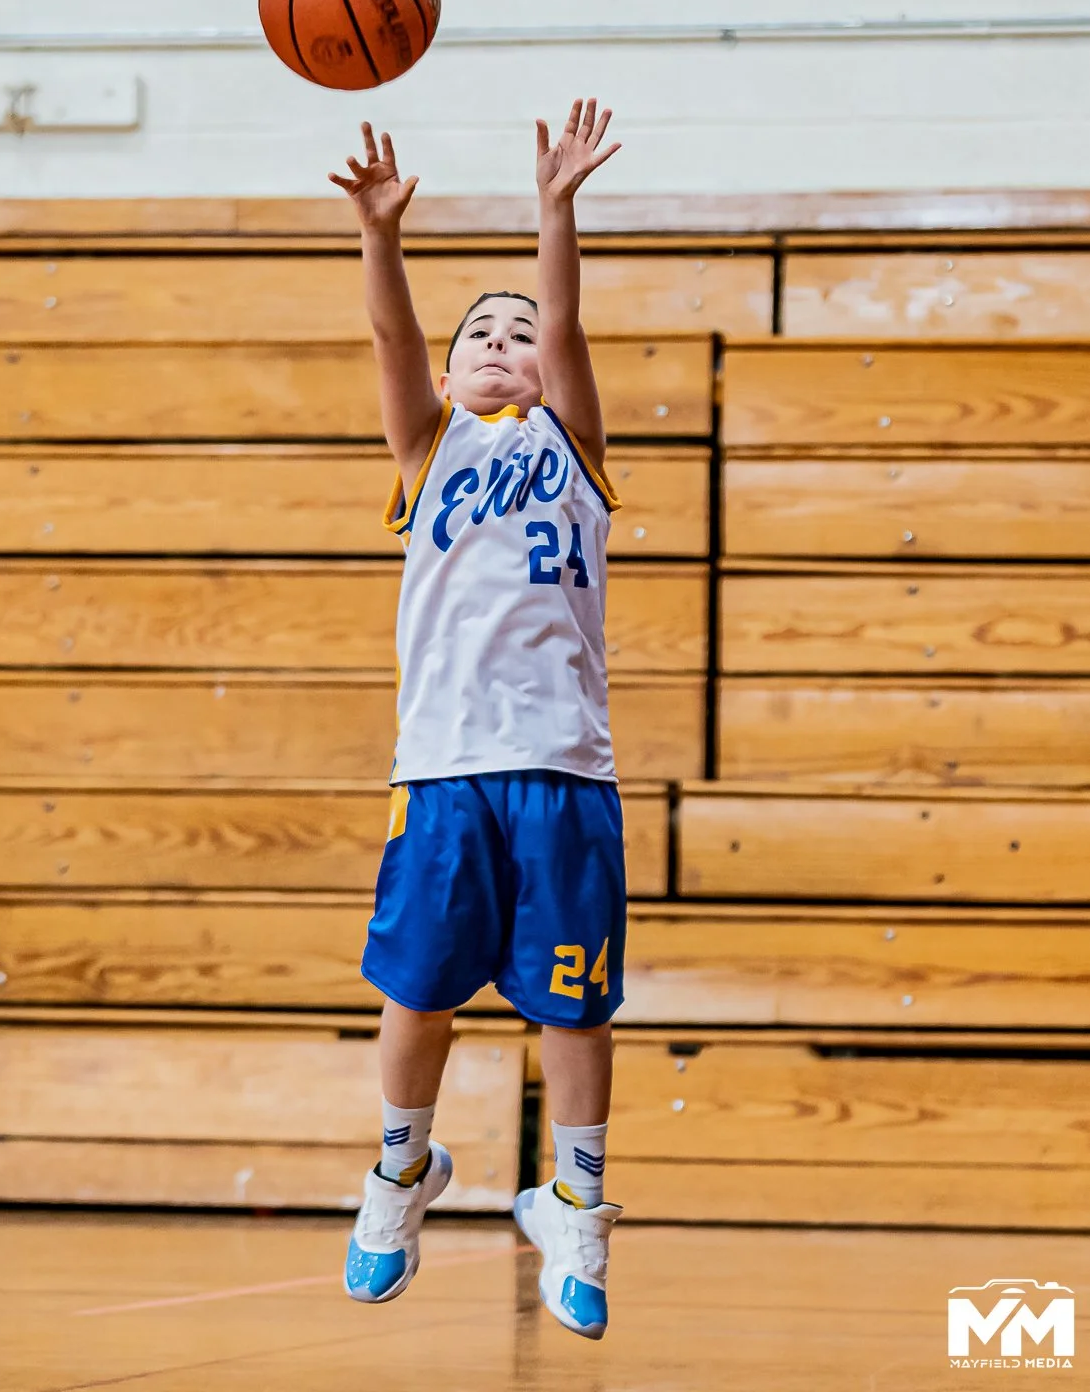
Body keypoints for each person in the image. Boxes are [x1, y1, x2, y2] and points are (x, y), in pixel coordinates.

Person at [329, 99, 626, 1340]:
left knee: (574, 1005)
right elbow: (392, 336)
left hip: (563, 767)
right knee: (420, 994)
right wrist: (382, 239)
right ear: (452, 377)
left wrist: (555, 210)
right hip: (447, 769)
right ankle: (401, 1172)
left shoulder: (578, 447)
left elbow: (563, 317)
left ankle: (579, 1203)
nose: (507, 339)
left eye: (521, 332)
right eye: (481, 335)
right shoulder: (429, 447)